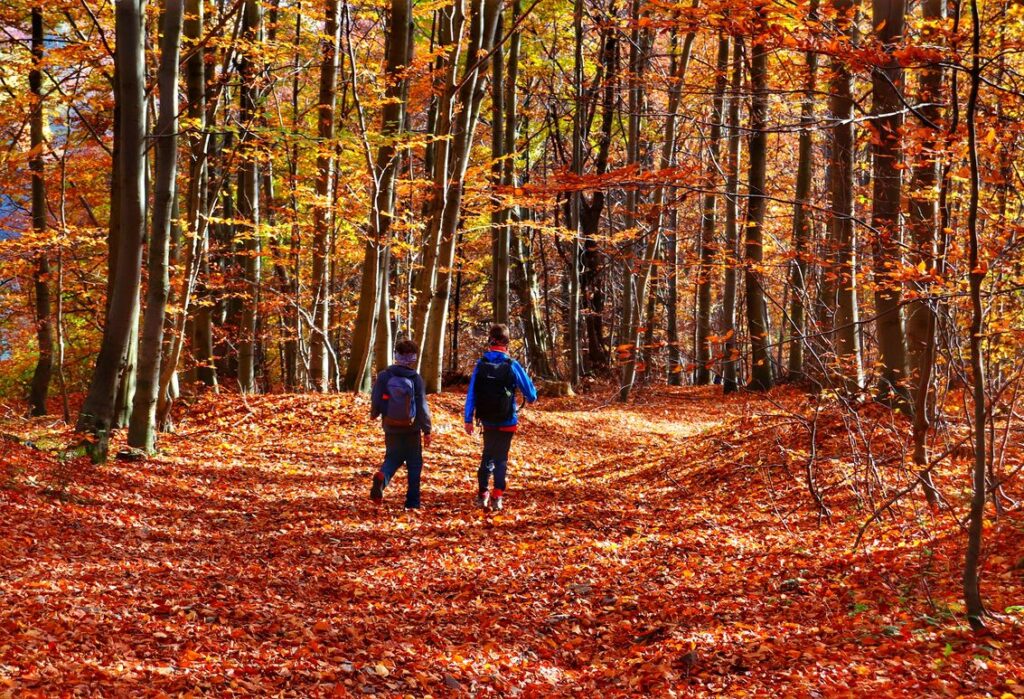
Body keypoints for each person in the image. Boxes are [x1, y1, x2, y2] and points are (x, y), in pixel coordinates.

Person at [464, 324, 537, 511]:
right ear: (507, 343)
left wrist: (468, 419)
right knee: (501, 458)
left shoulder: (481, 365)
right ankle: (497, 495)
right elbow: (531, 393)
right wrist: (529, 398)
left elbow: (471, 393)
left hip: (487, 420)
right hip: (507, 420)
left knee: (487, 455)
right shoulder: (512, 365)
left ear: (490, 341)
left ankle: (482, 494)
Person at [369, 340, 432, 509]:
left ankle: (383, 478)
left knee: (392, 457)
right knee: (414, 463)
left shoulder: (384, 376)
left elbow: (376, 398)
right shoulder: (415, 378)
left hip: (390, 426)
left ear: (396, 355)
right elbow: (422, 406)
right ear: (413, 358)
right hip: (412, 429)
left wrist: (374, 413)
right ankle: (412, 503)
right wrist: (427, 430)